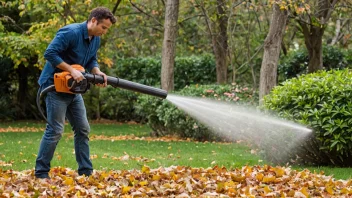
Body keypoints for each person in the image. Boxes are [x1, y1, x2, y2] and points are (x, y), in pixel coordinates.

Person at [35, 7, 116, 179]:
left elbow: (91, 58)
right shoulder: (70, 32)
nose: (104, 31)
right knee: (56, 130)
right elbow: (49, 53)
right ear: (93, 20)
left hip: (73, 89)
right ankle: (41, 173)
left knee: (83, 128)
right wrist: (71, 69)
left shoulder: (95, 39)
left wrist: (97, 71)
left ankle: (86, 172)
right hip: (54, 86)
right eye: (103, 27)